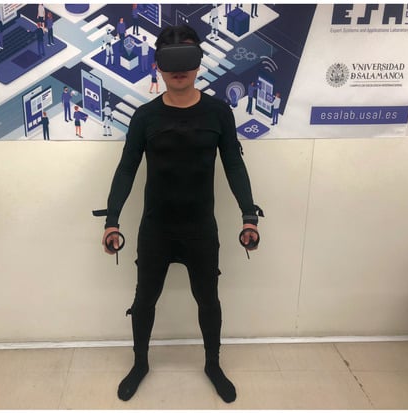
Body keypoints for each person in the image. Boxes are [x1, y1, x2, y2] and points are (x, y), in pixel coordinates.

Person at [101, 24, 260, 404]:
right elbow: (126, 168)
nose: (179, 69)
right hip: (156, 228)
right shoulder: (145, 117)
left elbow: (234, 165)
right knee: (144, 300)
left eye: (186, 57)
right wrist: (111, 221)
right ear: (158, 64)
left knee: (208, 300)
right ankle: (140, 363)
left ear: (198, 62)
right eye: (170, 59)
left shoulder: (218, 113)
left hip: (200, 229)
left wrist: (249, 216)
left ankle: (213, 364)